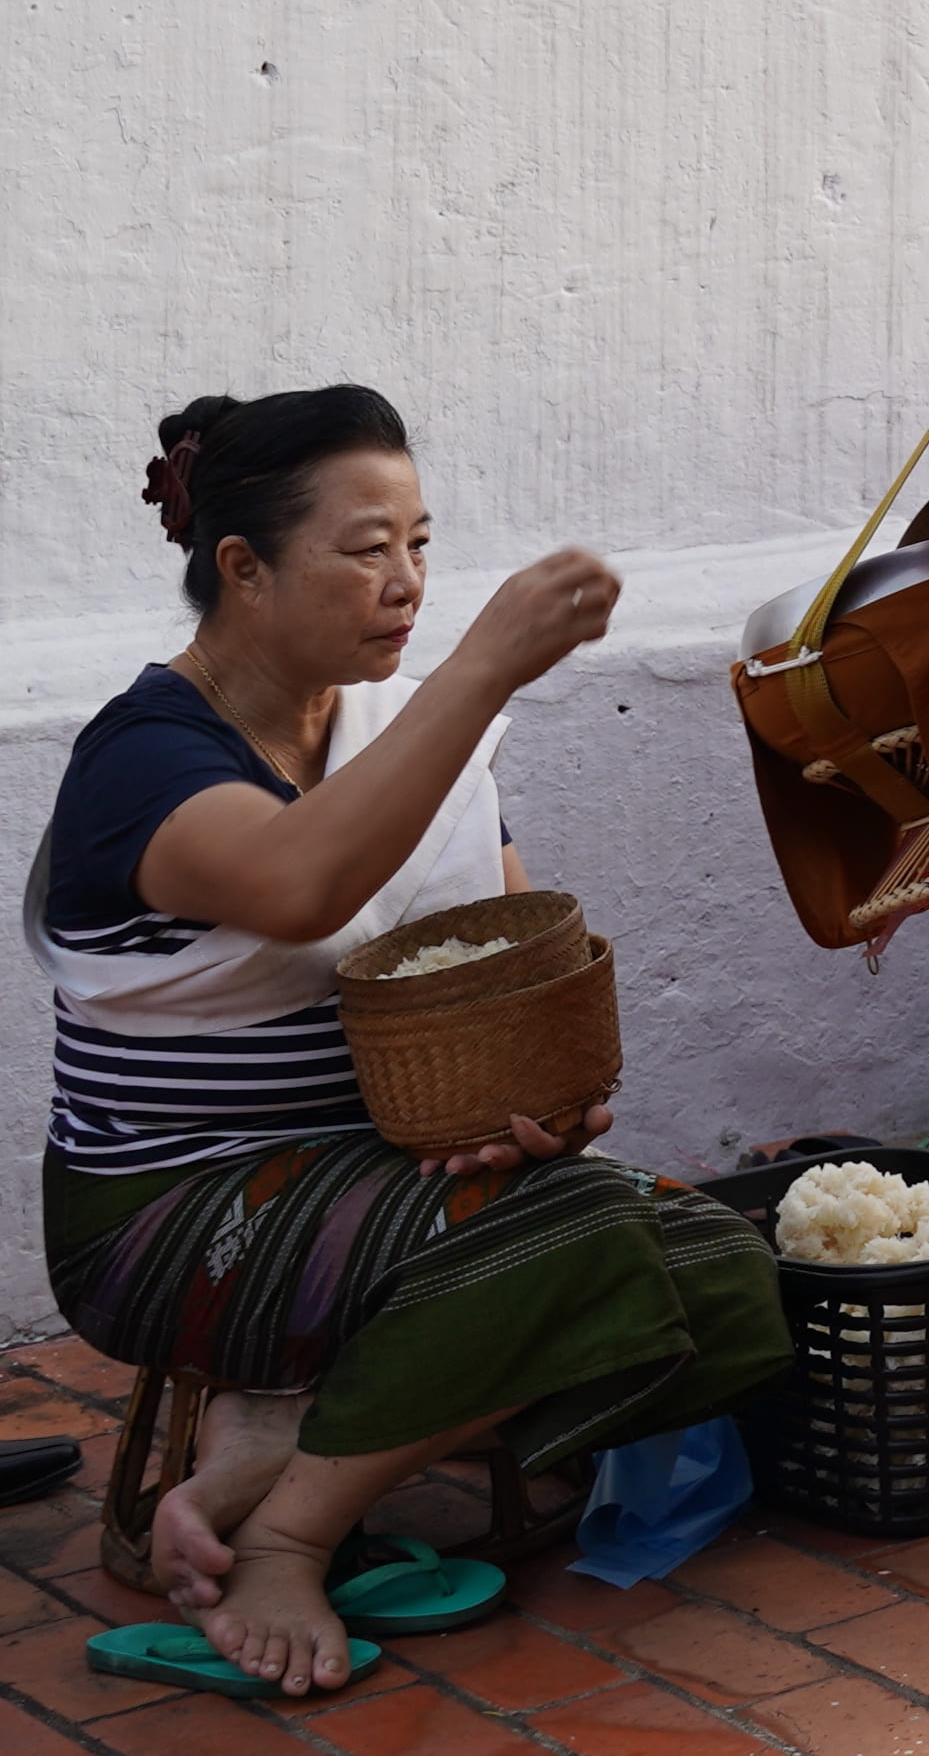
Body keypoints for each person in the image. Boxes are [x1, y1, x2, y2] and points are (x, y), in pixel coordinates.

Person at [32, 390, 786, 1700]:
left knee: (722, 1266)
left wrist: (538, 1105)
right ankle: (288, 1536)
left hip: (376, 1174)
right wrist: (486, 664)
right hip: (166, 1212)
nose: (408, 584)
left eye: (422, 546)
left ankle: (269, 1455)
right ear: (244, 568)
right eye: (366, 548)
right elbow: (297, 886)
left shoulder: (379, 730)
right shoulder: (143, 756)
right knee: (581, 1244)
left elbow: (497, 971)